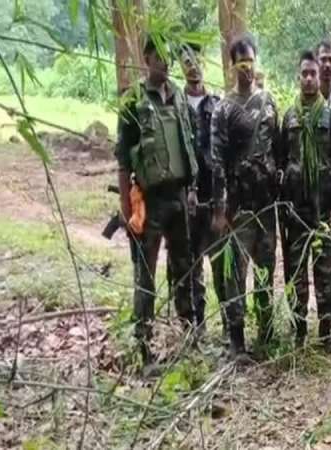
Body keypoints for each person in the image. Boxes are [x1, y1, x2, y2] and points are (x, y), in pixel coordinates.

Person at [115, 37, 199, 370]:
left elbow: (188, 144)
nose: (165, 62)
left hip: (179, 196)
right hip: (150, 200)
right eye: (159, 56)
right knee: (146, 276)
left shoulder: (178, 96)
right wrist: (127, 209)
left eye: (169, 57)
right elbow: (123, 160)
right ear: (147, 57)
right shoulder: (133, 101)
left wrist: (192, 190)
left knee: (184, 269)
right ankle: (145, 349)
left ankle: (187, 339)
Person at [211, 33, 280, 357]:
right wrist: (220, 208)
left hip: (266, 204)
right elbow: (217, 161)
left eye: (251, 61)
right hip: (238, 208)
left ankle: (266, 334)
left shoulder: (269, 102)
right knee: (235, 275)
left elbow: (278, 148)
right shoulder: (224, 109)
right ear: (232, 66)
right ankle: (237, 341)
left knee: (265, 270)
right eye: (241, 63)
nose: (247, 68)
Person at [279, 50, 331, 347]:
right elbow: (282, 160)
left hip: (323, 205)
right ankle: (299, 330)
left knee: (325, 269)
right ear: (298, 77)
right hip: (295, 208)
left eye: (312, 74)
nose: (308, 79)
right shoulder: (289, 116)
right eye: (304, 74)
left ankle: (326, 331)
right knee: (295, 269)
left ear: (319, 77)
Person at [178, 43, 224, 333]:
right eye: (187, 61)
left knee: (221, 265)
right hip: (184, 199)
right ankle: (196, 327)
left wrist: (223, 201)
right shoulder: (175, 105)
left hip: (213, 197)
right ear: (180, 66)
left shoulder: (217, 105)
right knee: (189, 265)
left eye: (196, 60)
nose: (193, 66)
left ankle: (230, 328)